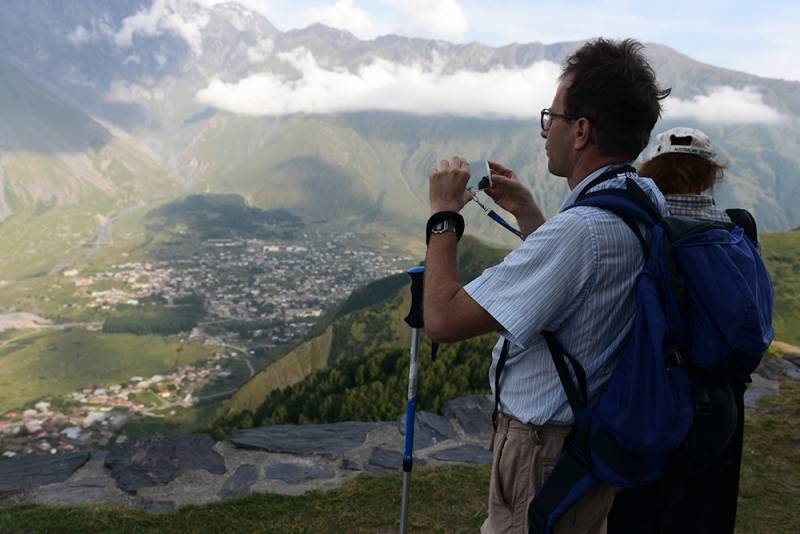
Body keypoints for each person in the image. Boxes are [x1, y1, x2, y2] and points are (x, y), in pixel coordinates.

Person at [422, 38, 670, 534]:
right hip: (589, 435)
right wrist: (532, 215)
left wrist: (444, 216)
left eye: (550, 118)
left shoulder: (581, 231)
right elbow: (586, 287)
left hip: (543, 449)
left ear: (580, 131)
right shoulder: (641, 197)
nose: (544, 133)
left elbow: (442, 320)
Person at [607, 127, 750, 534]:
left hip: (654, 400)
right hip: (719, 402)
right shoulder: (735, 232)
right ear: (711, 174)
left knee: (639, 510)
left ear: (651, 170)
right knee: (699, 506)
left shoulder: (643, 231)